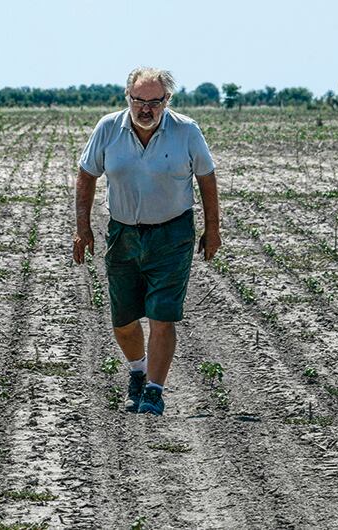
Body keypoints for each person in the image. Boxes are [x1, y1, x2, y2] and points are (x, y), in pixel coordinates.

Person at [72, 67, 222, 416]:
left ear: (167, 100)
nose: (145, 109)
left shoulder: (186, 131)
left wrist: (212, 229)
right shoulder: (108, 128)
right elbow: (86, 175)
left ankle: (154, 391)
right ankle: (137, 372)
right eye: (139, 100)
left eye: (154, 102)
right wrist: (83, 228)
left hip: (172, 235)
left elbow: (207, 177)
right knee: (123, 321)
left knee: (161, 314)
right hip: (123, 233)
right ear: (128, 98)